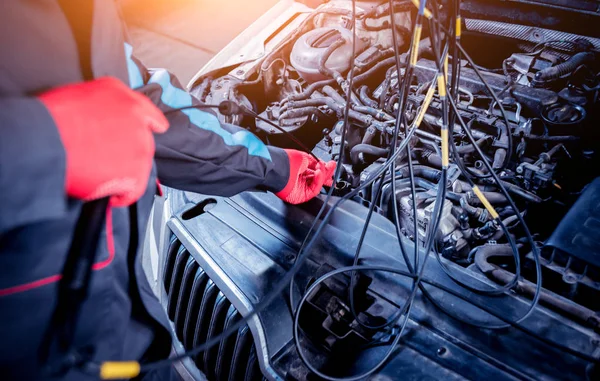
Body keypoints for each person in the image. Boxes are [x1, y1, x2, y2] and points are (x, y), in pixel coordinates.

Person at [0, 1, 335, 380]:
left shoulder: (85, 11)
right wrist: (44, 144)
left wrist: (274, 167)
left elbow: (144, 102)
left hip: (120, 338)